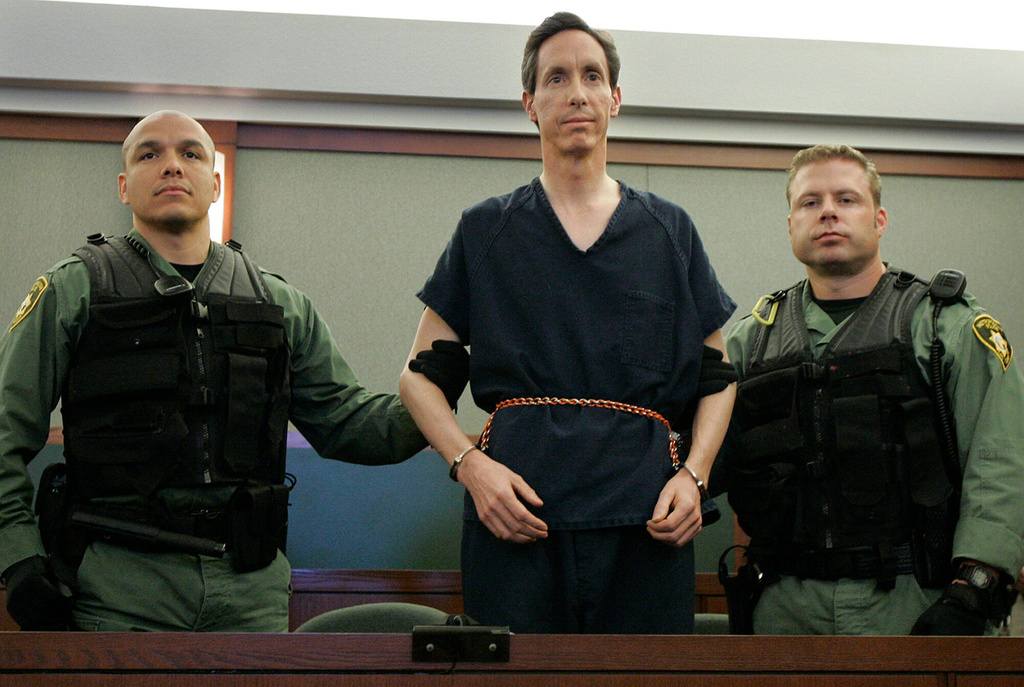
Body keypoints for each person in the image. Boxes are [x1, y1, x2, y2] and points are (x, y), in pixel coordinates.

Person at [0, 110, 453, 632]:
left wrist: (434, 386)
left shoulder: (278, 303)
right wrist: (19, 558)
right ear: (125, 187)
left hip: (249, 591)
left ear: (215, 183)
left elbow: (351, 426)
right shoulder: (73, 291)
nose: (172, 165)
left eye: (190, 153)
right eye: (150, 153)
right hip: (116, 590)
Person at [399, 12, 736, 634]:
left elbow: (718, 377)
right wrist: (469, 466)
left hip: (648, 522)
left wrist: (695, 476)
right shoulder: (486, 231)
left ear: (614, 99)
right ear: (530, 103)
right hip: (515, 516)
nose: (576, 92)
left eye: (591, 76)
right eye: (556, 78)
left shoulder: (668, 231)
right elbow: (419, 378)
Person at [724, 143, 1024, 635]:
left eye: (846, 199)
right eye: (809, 202)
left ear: (879, 219)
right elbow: (701, 457)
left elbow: (1002, 463)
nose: (827, 213)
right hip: (783, 608)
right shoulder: (750, 341)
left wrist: (975, 592)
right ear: (790, 225)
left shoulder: (943, 326)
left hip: (914, 602)